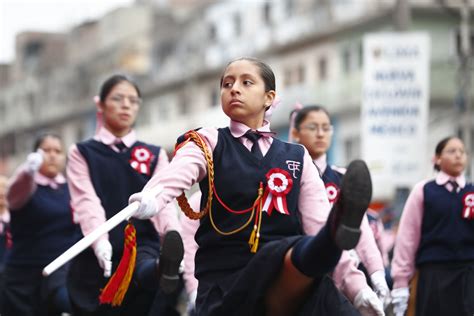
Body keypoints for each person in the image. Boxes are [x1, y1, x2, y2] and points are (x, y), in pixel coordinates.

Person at [129, 57, 373, 315]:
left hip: (285, 268)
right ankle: (333, 236)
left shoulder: (297, 156)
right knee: (301, 252)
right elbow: (177, 173)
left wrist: (358, 288)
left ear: (269, 97)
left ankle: (338, 229)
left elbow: (317, 223)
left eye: (246, 82)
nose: (234, 89)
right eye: (227, 84)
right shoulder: (207, 141)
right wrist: (153, 197)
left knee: (307, 250)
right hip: (227, 277)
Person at [66, 74, 183, 315]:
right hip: (96, 249)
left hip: (140, 243)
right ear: (100, 104)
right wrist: (100, 243)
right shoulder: (82, 153)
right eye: (118, 98)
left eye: (133, 100)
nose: (126, 105)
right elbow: (87, 202)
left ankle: (162, 268)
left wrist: (173, 235)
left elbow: (164, 202)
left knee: (145, 268)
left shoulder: (154, 154)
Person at [290, 105, 390, 313]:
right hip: (299, 270)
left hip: (344, 272)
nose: (320, 133)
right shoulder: (287, 173)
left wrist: (377, 274)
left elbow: (361, 229)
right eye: (312, 127)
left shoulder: (344, 178)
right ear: (295, 133)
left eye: (326, 128)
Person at [391, 136, 474, 316]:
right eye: (451, 151)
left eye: (462, 152)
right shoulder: (424, 190)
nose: (458, 155)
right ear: (437, 158)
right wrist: (401, 282)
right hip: (434, 274)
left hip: (468, 273)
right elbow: (407, 238)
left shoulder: (472, 191)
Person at [3, 132, 78, 316]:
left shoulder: (72, 189)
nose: (52, 155)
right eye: (46, 150)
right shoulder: (26, 186)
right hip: (24, 282)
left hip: (61, 275)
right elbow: (15, 191)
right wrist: (28, 170)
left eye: (57, 151)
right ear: (35, 153)